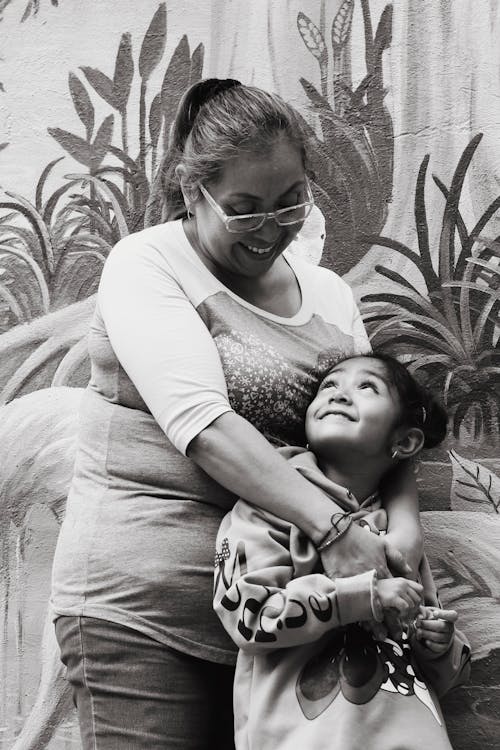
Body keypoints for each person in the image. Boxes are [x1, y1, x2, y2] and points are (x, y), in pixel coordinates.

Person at [50, 78, 422, 750]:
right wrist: (337, 532)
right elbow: (204, 424)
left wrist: (404, 530)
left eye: (290, 203)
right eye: (243, 210)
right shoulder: (149, 264)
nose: (271, 228)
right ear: (193, 192)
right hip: (145, 612)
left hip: (287, 631)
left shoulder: (332, 296)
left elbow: (389, 430)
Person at [213, 352, 471, 750]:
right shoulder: (265, 508)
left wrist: (437, 644)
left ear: (404, 441)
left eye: (367, 387)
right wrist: (358, 597)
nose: (339, 394)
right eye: (328, 385)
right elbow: (248, 616)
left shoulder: (398, 537)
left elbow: (441, 678)